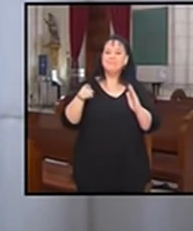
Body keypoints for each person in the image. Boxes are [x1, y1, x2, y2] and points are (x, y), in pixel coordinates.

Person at [61, 34, 160, 193]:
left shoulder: (137, 90)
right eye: (107, 52)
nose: (112, 56)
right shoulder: (88, 87)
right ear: (101, 57)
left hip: (129, 169)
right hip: (91, 169)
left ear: (126, 60)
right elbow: (69, 120)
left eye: (118, 53)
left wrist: (137, 108)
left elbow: (149, 125)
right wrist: (80, 98)